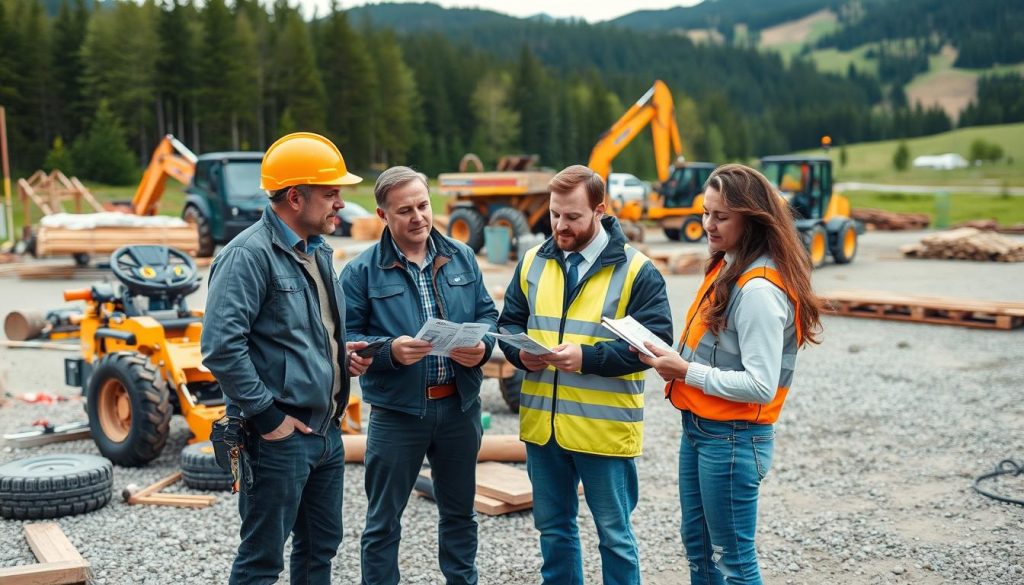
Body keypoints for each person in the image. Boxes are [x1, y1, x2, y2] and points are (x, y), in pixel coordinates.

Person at [201, 132, 374, 585]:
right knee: (261, 561)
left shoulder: (317, 251)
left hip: (325, 433)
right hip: (278, 438)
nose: (341, 202)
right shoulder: (247, 255)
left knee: (320, 551)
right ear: (295, 197)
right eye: (331, 192)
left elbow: (305, 333)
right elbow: (221, 347)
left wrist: (340, 357)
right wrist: (266, 416)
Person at [637, 163, 822, 585]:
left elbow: (760, 386)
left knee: (734, 562)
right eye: (705, 213)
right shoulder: (729, 265)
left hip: (733, 439)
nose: (708, 224)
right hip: (702, 429)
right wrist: (671, 357)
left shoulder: (758, 289)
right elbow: (717, 349)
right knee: (700, 551)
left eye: (721, 216)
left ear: (751, 218)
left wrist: (685, 371)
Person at [497, 164, 672, 585]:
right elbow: (508, 326)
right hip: (544, 430)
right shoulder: (531, 264)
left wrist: (587, 358)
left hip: (603, 432)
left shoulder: (636, 271)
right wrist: (523, 357)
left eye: (572, 216)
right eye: (555, 214)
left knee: (614, 536)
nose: (560, 225)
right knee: (554, 531)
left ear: (599, 210)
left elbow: (655, 345)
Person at [341, 166, 498, 585]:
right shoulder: (360, 272)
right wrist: (389, 351)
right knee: (383, 522)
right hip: (397, 414)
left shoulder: (461, 257)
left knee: (460, 515)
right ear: (383, 215)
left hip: (459, 407)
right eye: (405, 210)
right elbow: (345, 338)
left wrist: (483, 349)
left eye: (423, 206)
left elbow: (487, 315)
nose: (418, 217)